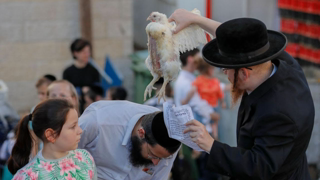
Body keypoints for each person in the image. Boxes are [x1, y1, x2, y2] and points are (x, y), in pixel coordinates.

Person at [170, 9, 315, 180]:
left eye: (226, 69)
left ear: (244, 73)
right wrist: (196, 19)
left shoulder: (279, 112)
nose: (224, 72)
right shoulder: (283, 64)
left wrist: (210, 145)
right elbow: (237, 38)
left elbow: (259, 166)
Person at [78, 101, 181, 179]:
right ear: (141, 133)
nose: (155, 163)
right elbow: (64, 155)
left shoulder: (170, 143)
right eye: (152, 155)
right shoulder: (98, 122)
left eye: (162, 158)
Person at [8, 99, 97, 180]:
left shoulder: (85, 158)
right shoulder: (27, 176)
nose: (80, 131)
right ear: (50, 135)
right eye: (73, 126)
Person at [192, 59, 227, 139]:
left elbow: (220, 93)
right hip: (205, 108)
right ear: (209, 69)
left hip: (213, 106)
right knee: (207, 126)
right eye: (212, 69)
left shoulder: (214, 81)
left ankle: (214, 137)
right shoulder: (200, 80)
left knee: (213, 126)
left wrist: (222, 102)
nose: (213, 70)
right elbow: (220, 93)